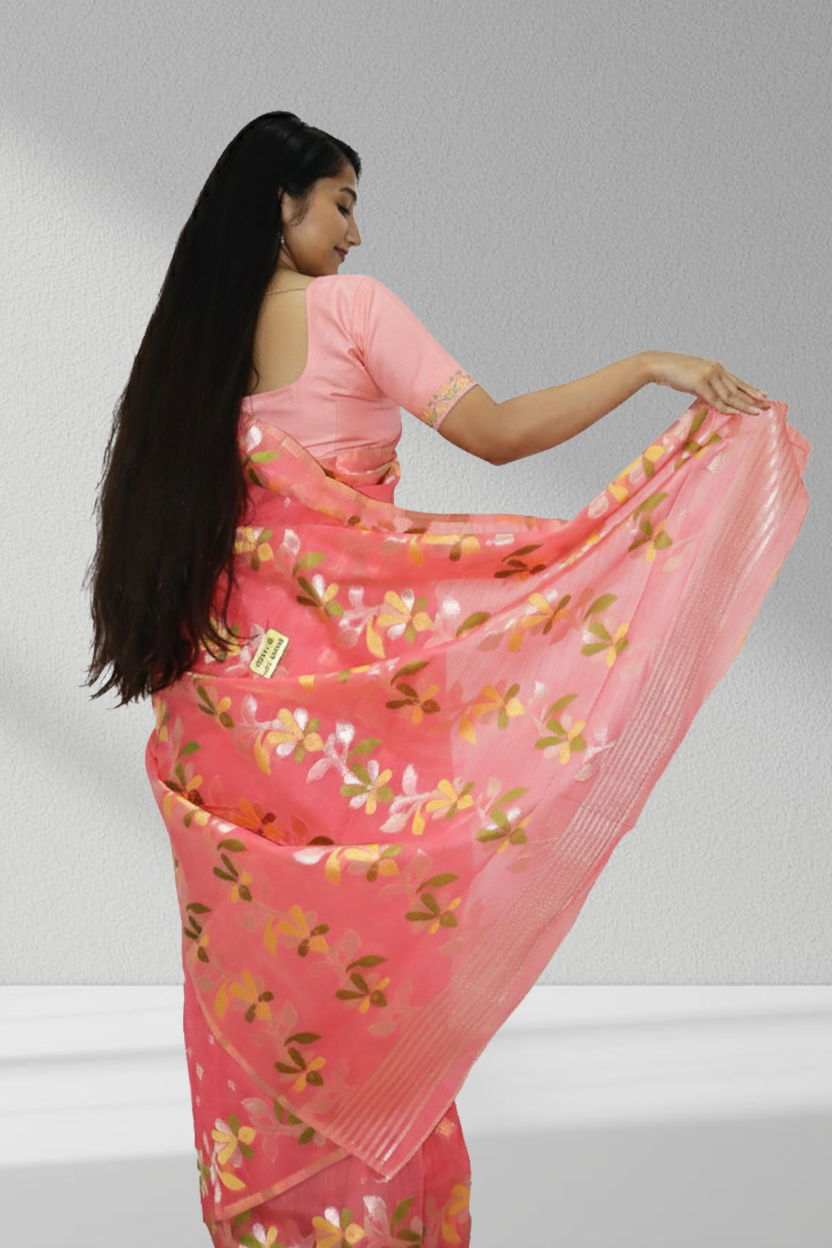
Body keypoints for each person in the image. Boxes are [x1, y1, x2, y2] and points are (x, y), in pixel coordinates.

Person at [85, 112, 809, 1248]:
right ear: (282, 203)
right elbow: (500, 433)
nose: (355, 233)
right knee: (380, 976)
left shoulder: (193, 343)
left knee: (264, 979)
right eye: (341, 203)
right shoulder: (351, 312)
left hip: (227, 705)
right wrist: (646, 364)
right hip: (353, 704)